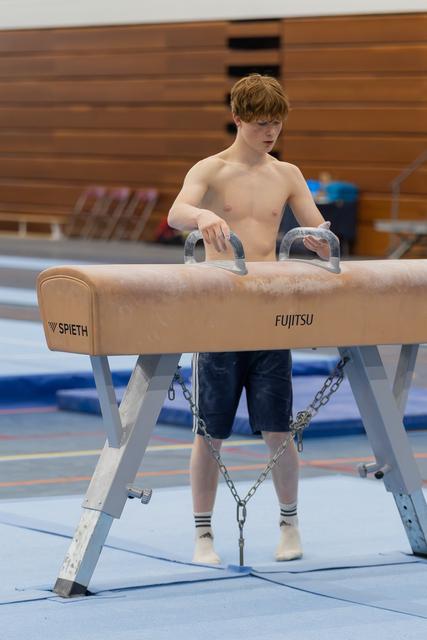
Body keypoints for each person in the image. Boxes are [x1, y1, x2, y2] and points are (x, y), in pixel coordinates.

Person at [167, 74, 330, 564]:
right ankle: (202, 535)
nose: (270, 133)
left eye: (277, 124)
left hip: (268, 313)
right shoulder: (211, 170)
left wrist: (319, 237)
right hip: (220, 314)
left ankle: (290, 525)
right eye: (261, 124)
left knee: (278, 428)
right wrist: (202, 217)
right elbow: (177, 210)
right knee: (209, 430)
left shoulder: (288, 173)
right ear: (237, 118)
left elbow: (313, 223)